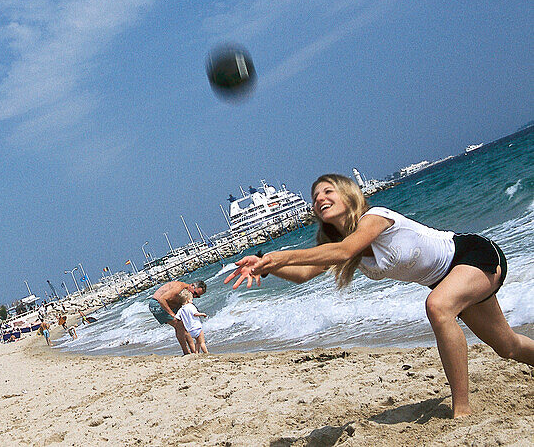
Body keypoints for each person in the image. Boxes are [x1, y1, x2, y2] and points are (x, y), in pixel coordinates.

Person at [226, 173, 534, 418]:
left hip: (472, 255)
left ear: (349, 194)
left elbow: (344, 251)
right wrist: (265, 267)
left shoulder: (375, 217)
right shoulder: (342, 242)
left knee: (438, 306)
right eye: (315, 196)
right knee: (507, 346)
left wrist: (281, 255)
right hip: (451, 279)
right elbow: (305, 274)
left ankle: (462, 408)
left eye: (328, 191)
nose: (320, 198)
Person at [150, 280, 208, 354]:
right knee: (179, 324)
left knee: (185, 324)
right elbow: (162, 300)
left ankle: (194, 351)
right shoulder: (179, 288)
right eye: (195, 294)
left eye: (198, 296)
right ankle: (186, 352)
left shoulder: (185, 295)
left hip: (169, 305)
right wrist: (172, 314)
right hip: (157, 304)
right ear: (192, 285)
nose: (195, 297)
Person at [176, 290, 209, 354]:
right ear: (188, 300)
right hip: (197, 327)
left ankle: (196, 353)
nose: (192, 301)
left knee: (197, 342)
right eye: (191, 299)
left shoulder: (181, 309)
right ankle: (206, 353)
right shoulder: (190, 306)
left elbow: (177, 318)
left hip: (190, 331)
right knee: (202, 342)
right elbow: (195, 314)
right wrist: (202, 314)